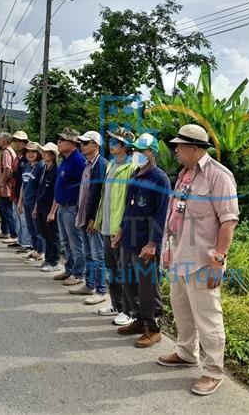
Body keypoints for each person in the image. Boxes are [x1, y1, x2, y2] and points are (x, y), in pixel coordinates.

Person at [157, 124, 239, 396]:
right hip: (180, 255)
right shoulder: (184, 174)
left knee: (208, 317)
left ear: (195, 148)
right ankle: (186, 353)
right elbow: (175, 215)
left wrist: (218, 261)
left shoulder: (219, 176)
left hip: (203, 262)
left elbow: (228, 222)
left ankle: (213, 371)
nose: (175, 151)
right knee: (181, 309)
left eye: (179, 146)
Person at [111, 133, 171, 348]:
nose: (136, 154)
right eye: (135, 150)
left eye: (141, 151)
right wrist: (120, 231)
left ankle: (153, 328)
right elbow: (129, 208)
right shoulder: (136, 175)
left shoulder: (159, 179)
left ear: (152, 153)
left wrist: (153, 243)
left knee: (148, 287)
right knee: (129, 283)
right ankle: (138, 320)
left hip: (146, 243)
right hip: (129, 239)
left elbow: (162, 214)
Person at [94, 127, 137, 326]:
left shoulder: (132, 168)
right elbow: (105, 195)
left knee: (124, 270)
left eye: (114, 142)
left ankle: (130, 310)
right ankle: (116, 304)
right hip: (107, 225)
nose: (110, 144)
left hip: (120, 228)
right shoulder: (111, 164)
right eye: (110, 141)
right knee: (111, 268)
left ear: (125, 146)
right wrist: (99, 220)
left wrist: (122, 227)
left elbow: (130, 201)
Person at [69, 131, 109, 305]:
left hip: (93, 219)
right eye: (82, 143)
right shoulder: (88, 164)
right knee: (88, 253)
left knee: (98, 255)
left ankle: (101, 291)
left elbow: (101, 195)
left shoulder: (102, 165)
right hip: (83, 216)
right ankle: (89, 285)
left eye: (86, 143)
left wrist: (94, 218)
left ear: (96, 145)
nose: (82, 146)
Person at [50, 127, 87, 284]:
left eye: (62, 140)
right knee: (66, 242)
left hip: (72, 207)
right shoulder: (64, 160)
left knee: (75, 243)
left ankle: (79, 274)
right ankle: (70, 269)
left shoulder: (78, 161)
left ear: (73, 143)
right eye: (59, 139)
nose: (59, 142)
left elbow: (84, 186)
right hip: (62, 206)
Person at [32, 142, 62, 272]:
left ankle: (54, 262)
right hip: (41, 206)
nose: (43, 154)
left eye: (46, 152)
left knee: (53, 236)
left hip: (50, 208)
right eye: (43, 152)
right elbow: (40, 190)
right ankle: (48, 259)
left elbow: (57, 193)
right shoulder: (44, 168)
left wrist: (53, 212)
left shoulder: (57, 170)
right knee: (45, 235)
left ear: (53, 155)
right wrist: (36, 207)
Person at [18, 141, 45, 263]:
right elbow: (23, 185)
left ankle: (40, 252)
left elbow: (41, 188)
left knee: (38, 229)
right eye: (28, 151)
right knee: (31, 229)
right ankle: (34, 250)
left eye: (33, 152)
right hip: (27, 202)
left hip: (35, 203)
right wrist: (20, 202)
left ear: (38, 153)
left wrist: (37, 206)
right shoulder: (26, 166)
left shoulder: (41, 167)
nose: (30, 154)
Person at [0, 132, 17, 241]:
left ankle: (13, 235)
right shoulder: (6, 151)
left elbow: (7, 169)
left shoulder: (6, 152)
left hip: (5, 187)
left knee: (7, 211)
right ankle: (5, 231)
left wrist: (1, 183)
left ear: (4, 141)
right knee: (2, 209)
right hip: (3, 186)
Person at [9, 131, 32, 252]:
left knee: (24, 220)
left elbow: (25, 180)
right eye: (16, 141)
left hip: (22, 194)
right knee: (17, 218)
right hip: (15, 192)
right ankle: (20, 240)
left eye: (21, 141)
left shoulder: (27, 159)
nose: (18, 143)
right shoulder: (19, 157)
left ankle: (27, 243)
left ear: (25, 143)